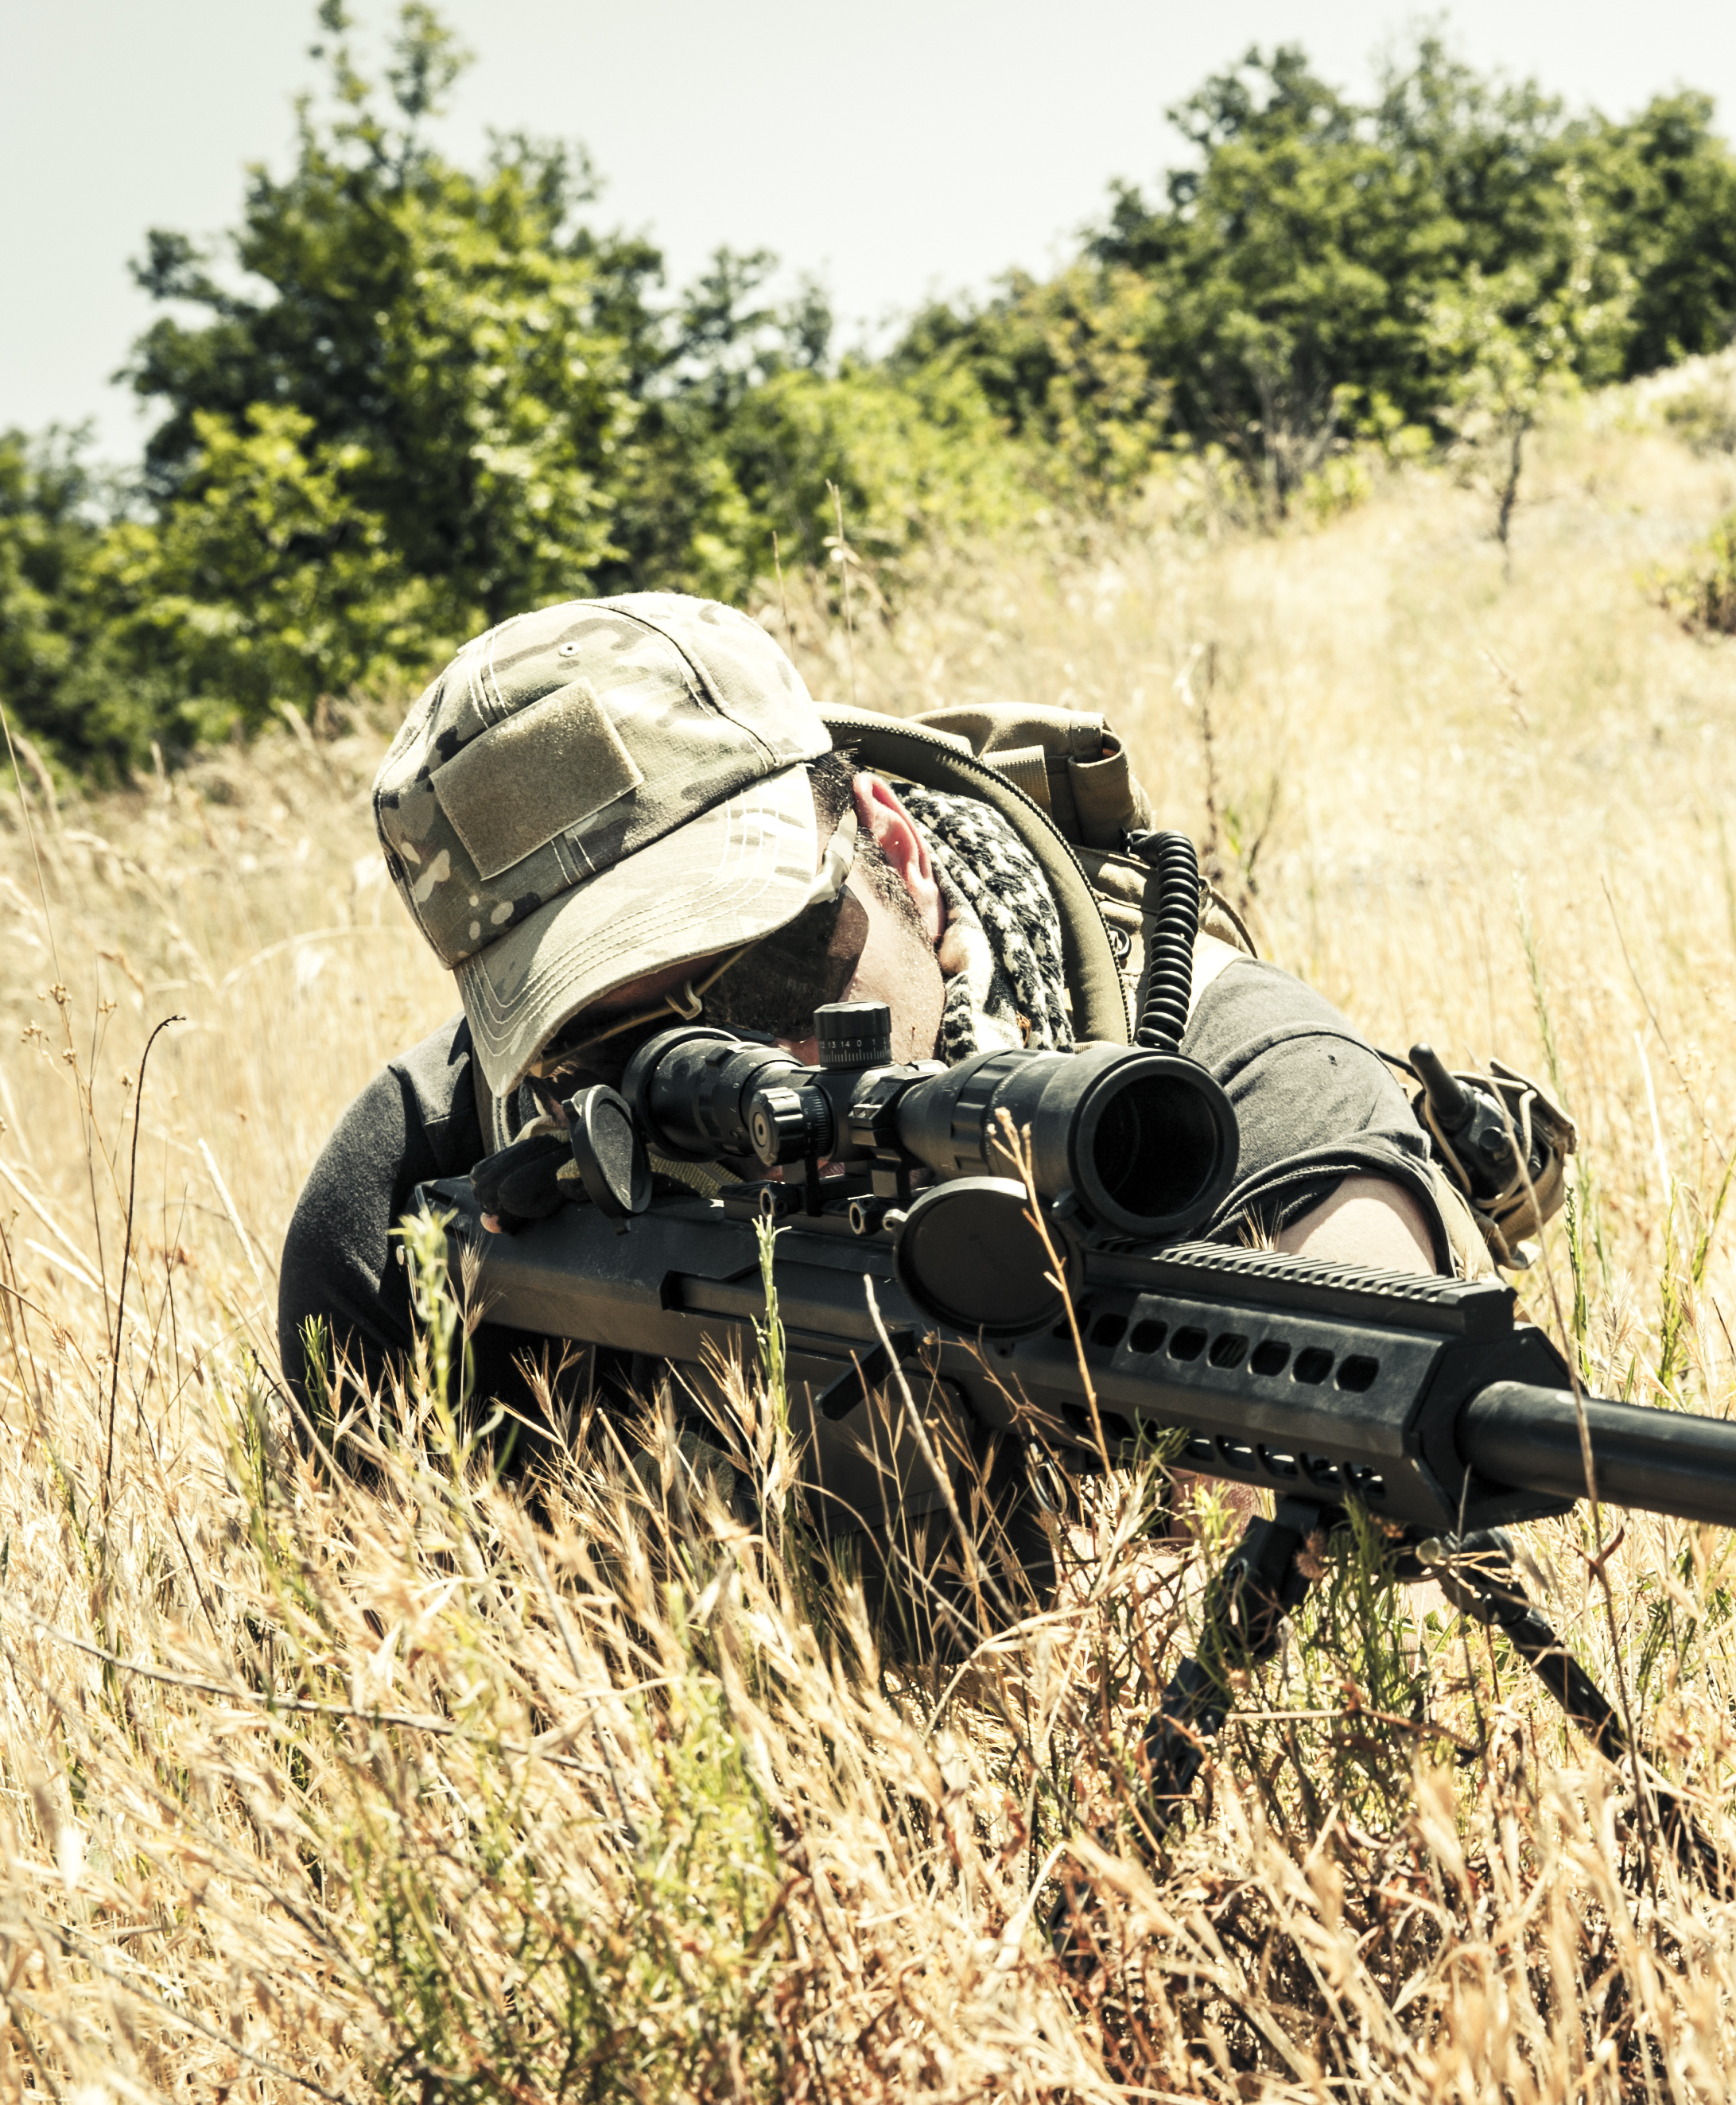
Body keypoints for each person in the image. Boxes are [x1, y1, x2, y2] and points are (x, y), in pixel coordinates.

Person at [277, 592, 1479, 1641]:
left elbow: (1370, 1388)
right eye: (611, 1042)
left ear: (890, 847)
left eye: (768, 967)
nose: (746, 1062)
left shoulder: (1212, 1075)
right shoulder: (414, 1192)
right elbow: (400, 1670)